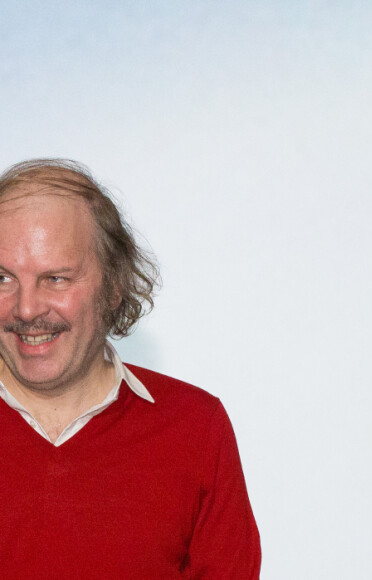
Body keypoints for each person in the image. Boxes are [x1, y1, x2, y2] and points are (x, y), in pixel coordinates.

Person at [0, 159, 261, 578]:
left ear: (114, 286)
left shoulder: (195, 428)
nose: (26, 308)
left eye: (56, 279)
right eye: (3, 278)